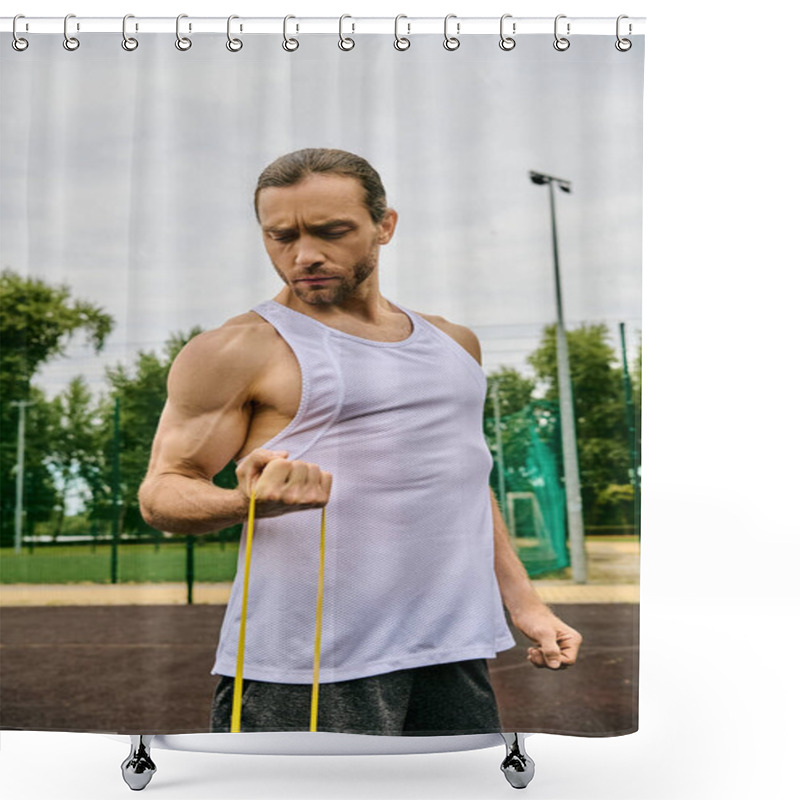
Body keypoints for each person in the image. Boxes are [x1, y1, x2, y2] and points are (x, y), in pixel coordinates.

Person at [139, 148, 582, 736]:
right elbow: (162, 494)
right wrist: (248, 503)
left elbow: (464, 481)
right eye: (281, 236)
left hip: (449, 650)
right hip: (308, 668)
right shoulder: (237, 349)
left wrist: (525, 602)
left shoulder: (455, 344)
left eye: (332, 232)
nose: (305, 255)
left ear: (385, 226)